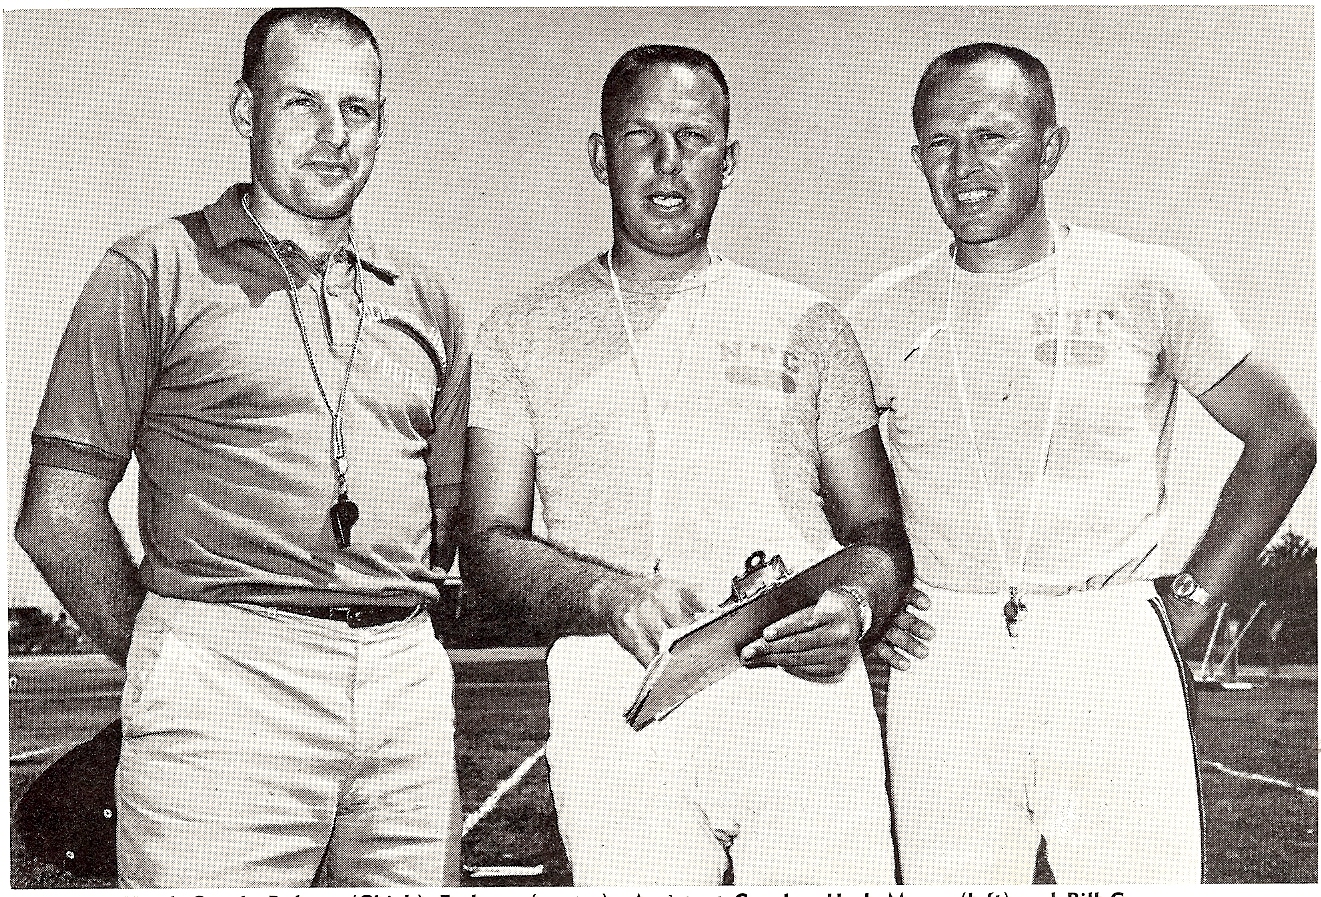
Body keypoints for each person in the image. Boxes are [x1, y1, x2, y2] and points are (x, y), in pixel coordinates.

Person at [15, 8, 469, 887]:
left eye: (359, 111)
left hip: (404, 684)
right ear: (244, 111)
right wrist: (171, 652)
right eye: (302, 104)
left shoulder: (428, 297)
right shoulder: (151, 269)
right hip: (221, 676)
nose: (335, 137)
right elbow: (57, 517)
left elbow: (447, 522)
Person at [848, 42, 1316, 884]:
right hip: (942, 657)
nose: (964, 167)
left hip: (1110, 643)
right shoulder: (877, 314)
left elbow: (1284, 437)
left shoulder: (1145, 280)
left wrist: (1191, 602)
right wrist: (870, 597)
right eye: (940, 144)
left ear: (1049, 147)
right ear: (916, 157)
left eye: (991, 136)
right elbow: (832, 484)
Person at [460, 44, 916, 885]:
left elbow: (876, 533)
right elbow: (486, 540)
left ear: (728, 159)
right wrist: (605, 593)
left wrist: (852, 606)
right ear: (601, 156)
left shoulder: (808, 322)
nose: (668, 166)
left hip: (797, 682)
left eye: (694, 139)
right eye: (640, 137)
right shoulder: (517, 329)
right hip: (618, 687)